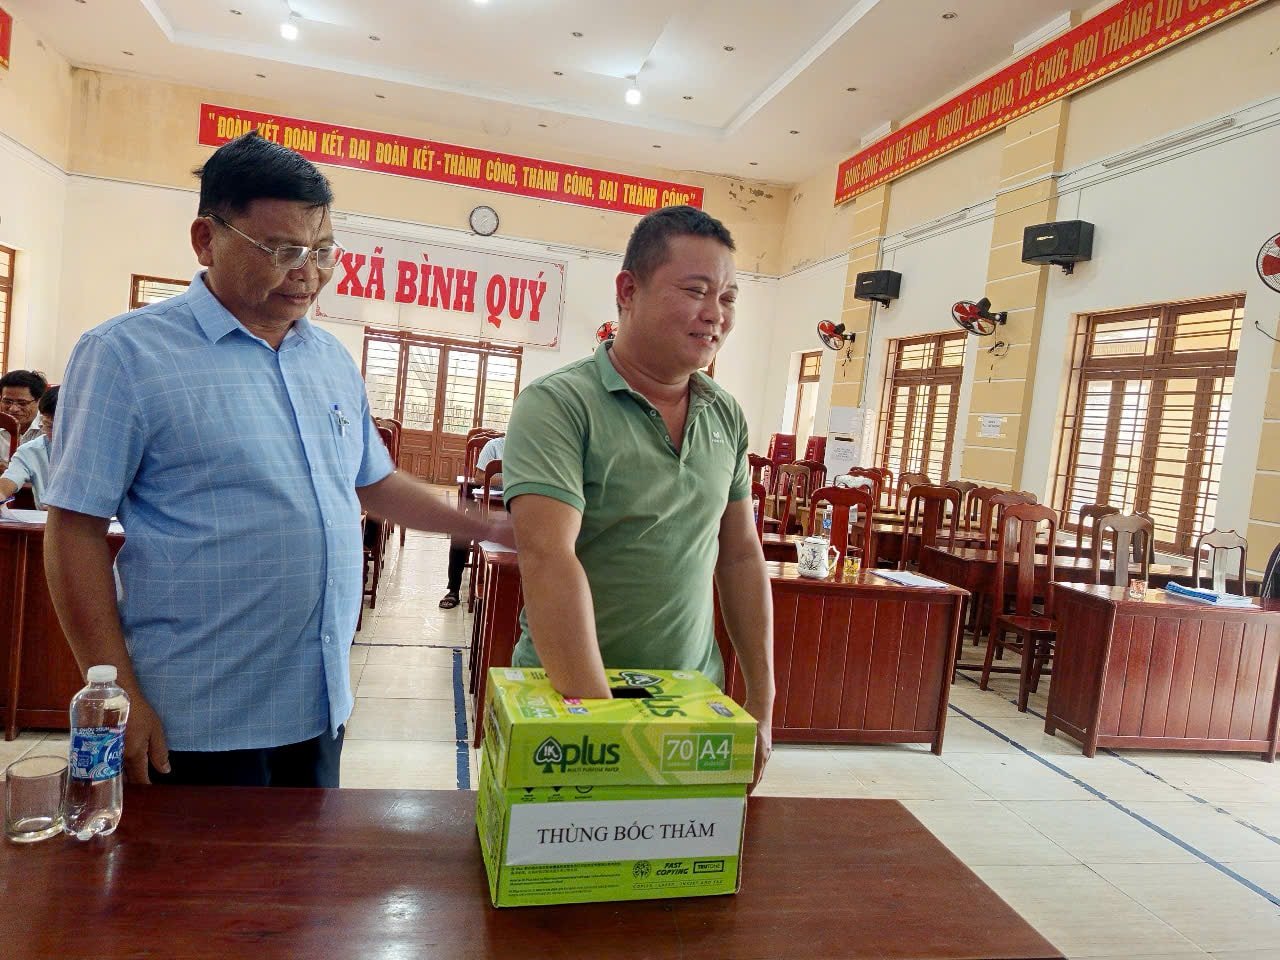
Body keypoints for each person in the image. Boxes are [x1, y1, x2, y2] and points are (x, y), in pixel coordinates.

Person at [43, 132, 511, 790]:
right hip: (194, 717)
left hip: (318, 709)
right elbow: (74, 530)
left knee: (297, 890)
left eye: (323, 252)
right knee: (189, 893)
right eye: (284, 251)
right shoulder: (126, 356)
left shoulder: (327, 360)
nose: (309, 274)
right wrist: (119, 691)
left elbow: (370, 481)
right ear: (207, 239)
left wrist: (481, 527)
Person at [502, 205, 774, 787]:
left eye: (727, 297)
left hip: (690, 701)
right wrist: (605, 732)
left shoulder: (724, 413)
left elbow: (740, 555)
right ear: (628, 290)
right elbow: (549, 556)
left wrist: (762, 702)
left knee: (689, 875)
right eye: (696, 290)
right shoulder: (558, 405)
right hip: (572, 703)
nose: (714, 315)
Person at [440, 433, 505, 610]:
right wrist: (513, 478)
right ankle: (453, 589)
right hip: (485, 504)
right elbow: (478, 477)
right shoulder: (495, 446)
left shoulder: (535, 450)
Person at [0, 385, 57, 507]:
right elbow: (10, 478)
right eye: (48, 425)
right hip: (45, 522)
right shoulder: (31, 450)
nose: (55, 434)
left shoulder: (100, 453)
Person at [0, 369, 48, 466]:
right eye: (7, 402)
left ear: (39, 401)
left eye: (22, 403)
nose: (13, 409)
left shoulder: (49, 429)